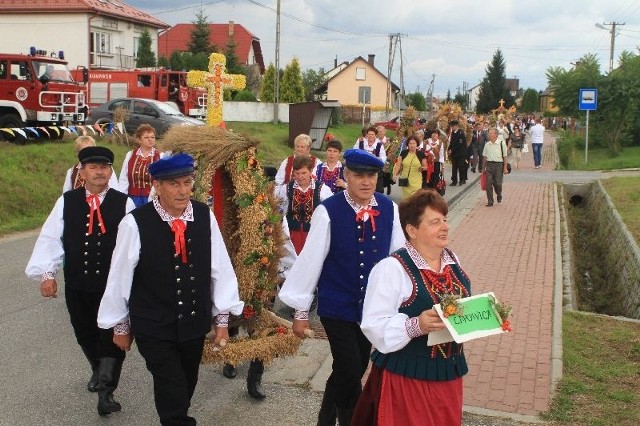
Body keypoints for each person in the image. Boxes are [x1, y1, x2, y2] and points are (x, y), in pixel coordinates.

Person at [97, 153, 244, 425]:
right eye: (174, 184)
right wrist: (119, 326)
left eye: (187, 183)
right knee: (172, 389)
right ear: (157, 185)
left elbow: (220, 268)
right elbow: (119, 277)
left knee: (186, 385)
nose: (183, 191)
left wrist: (222, 319)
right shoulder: (135, 223)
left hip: (193, 323)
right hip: (153, 326)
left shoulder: (203, 215)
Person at [279, 149, 405, 426]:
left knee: (355, 366)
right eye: (359, 175)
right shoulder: (329, 210)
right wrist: (301, 310)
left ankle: (325, 417)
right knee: (349, 368)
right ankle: (351, 420)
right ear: (346, 175)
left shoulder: (388, 207)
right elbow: (311, 259)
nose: (366, 181)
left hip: (372, 306)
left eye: (371, 175)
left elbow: (399, 256)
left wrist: (406, 297)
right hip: (336, 304)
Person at [25, 146, 135, 416]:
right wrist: (47, 274)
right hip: (78, 283)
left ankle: (106, 392)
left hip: (112, 287)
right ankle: (97, 368)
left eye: (105, 167)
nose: (100, 171)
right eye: (93, 167)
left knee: (111, 335)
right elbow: (51, 237)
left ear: (111, 171)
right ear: (82, 172)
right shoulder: (68, 201)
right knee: (84, 332)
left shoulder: (125, 203)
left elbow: (134, 247)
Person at [352, 189, 471, 426]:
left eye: (445, 220)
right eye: (435, 222)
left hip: (449, 375)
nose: (444, 226)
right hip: (408, 378)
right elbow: (374, 325)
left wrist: (484, 318)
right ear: (412, 230)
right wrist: (416, 325)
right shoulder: (392, 268)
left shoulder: (452, 259)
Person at [277, 155, 333, 254]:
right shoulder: (287, 189)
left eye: (304, 173)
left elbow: (331, 212)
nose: (300, 177)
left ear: (310, 171)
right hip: (291, 235)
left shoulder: (322, 189)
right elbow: (279, 210)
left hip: (313, 235)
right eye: (297, 173)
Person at [119, 123, 162, 207]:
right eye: (146, 137)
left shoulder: (160, 156)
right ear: (139, 140)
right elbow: (124, 177)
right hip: (132, 198)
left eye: (152, 137)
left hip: (152, 198)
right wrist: (122, 197)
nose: (150, 140)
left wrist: (152, 196)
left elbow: (160, 180)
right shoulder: (130, 155)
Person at [393, 134, 428, 198]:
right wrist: (394, 175)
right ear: (408, 144)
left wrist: (422, 168)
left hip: (416, 181)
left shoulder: (421, 154)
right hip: (405, 181)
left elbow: (426, 167)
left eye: (414, 143)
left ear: (417, 144)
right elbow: (398, 165)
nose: (412, 145)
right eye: (410, 143)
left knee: (415, 199)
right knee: (406, 199)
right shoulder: (403, 153)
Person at [353, 125, 387, 193]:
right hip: (361, 170)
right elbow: (354, 152)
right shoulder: (360, 141)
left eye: (372, 134)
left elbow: (383, 158)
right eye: (369, 134)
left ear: (375, 135)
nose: (370, 136)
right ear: (366, 135)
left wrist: (376, 158)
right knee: (361, 190)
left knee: (378, 192)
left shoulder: (379, 144)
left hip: (375, 170)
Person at [482, 128, 509, 207]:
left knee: (497, 183)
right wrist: (483, 169)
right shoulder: (487, 144)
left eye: (490, 133)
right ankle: (490, 201)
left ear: (496, 135)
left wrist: (505, 167)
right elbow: (484, 157)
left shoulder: (501, 143)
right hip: (489, 165)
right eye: (489, 133)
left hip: (498, 165)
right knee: (488, 184)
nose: (489, 135)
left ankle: (499, 194)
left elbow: (505, 156)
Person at [446, 120, 468, 186]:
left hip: (461, 153)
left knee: (461, 166)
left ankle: (462, 180)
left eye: (453, 126)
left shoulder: (461, 133)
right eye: (452, 126)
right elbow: (452, 143)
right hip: (454, 153)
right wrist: (449, 149)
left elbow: (460, 144)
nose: (452, 127)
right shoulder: (453, 133)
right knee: (454, 167)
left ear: (456, 126)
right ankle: (454, 181)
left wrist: (451, 150)